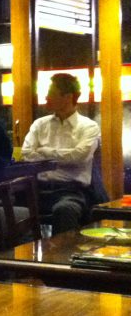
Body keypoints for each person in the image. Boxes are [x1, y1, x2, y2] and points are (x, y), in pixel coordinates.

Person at [21, 72, 101, 234]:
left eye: (51, 93)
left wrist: (44, 151)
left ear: (68, 97)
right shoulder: (40, 124)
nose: (46, 97)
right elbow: (27, 154)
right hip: (37, 189)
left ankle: (64, 251)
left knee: (65, 209)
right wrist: (64, 156)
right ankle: (26, 250)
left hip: (71, 191)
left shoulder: (89, 126)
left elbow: (79, 157)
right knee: (9, 209)